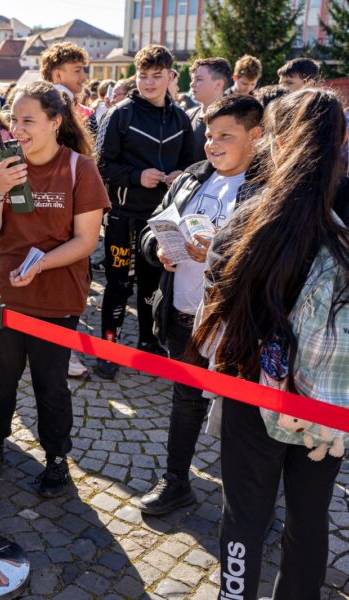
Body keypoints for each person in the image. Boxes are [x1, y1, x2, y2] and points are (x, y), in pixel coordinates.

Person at [192, 88, 348, 600]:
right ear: (341, 142)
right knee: (309, 519)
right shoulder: (341, 236)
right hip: (327, 408)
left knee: (245, 516)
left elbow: (209, 329)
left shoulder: (246, 222)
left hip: (250, 392)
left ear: (275, 143)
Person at [0, 81, 110, 497]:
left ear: (55, 121)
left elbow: (86, 241)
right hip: (2, 296)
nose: (18, 129)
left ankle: (56, 459)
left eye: (28, 120)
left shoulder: (78, 168)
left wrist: (40, 264)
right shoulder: (2, 160)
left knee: (51, 387)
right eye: (13, 119)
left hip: (55, 298)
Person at [137, 94, 263, 515]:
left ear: (256, 136)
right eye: (210, 135)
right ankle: (176, 482)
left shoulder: (271, 187)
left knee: (244, 414)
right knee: (186, 400)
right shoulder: (192, 177)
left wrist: (218, 253)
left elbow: (274, 259)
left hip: (237, 321)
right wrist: (159, 247)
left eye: (226, 136)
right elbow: (150, 229)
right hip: (183, 312)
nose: (213, 144)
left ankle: (250, 500)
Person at [94, 45, 195, 380]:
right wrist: (137, 176)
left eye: (156, 76)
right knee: (118, 283)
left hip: (163, 219)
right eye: (143, 76)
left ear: (170, 77)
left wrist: (182, 175)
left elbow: (194, 167)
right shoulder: (120, 113)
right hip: (123, 214)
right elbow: (101, 166)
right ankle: (108, 347)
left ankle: (148, 344)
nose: (149, 83)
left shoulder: (181, 118)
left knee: (154, 283)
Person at [187, 58, 232, 163]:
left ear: (218, 85)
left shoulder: (233, 121)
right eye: (192, 79)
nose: (191, 84)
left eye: (198, 79)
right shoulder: (189, 116)